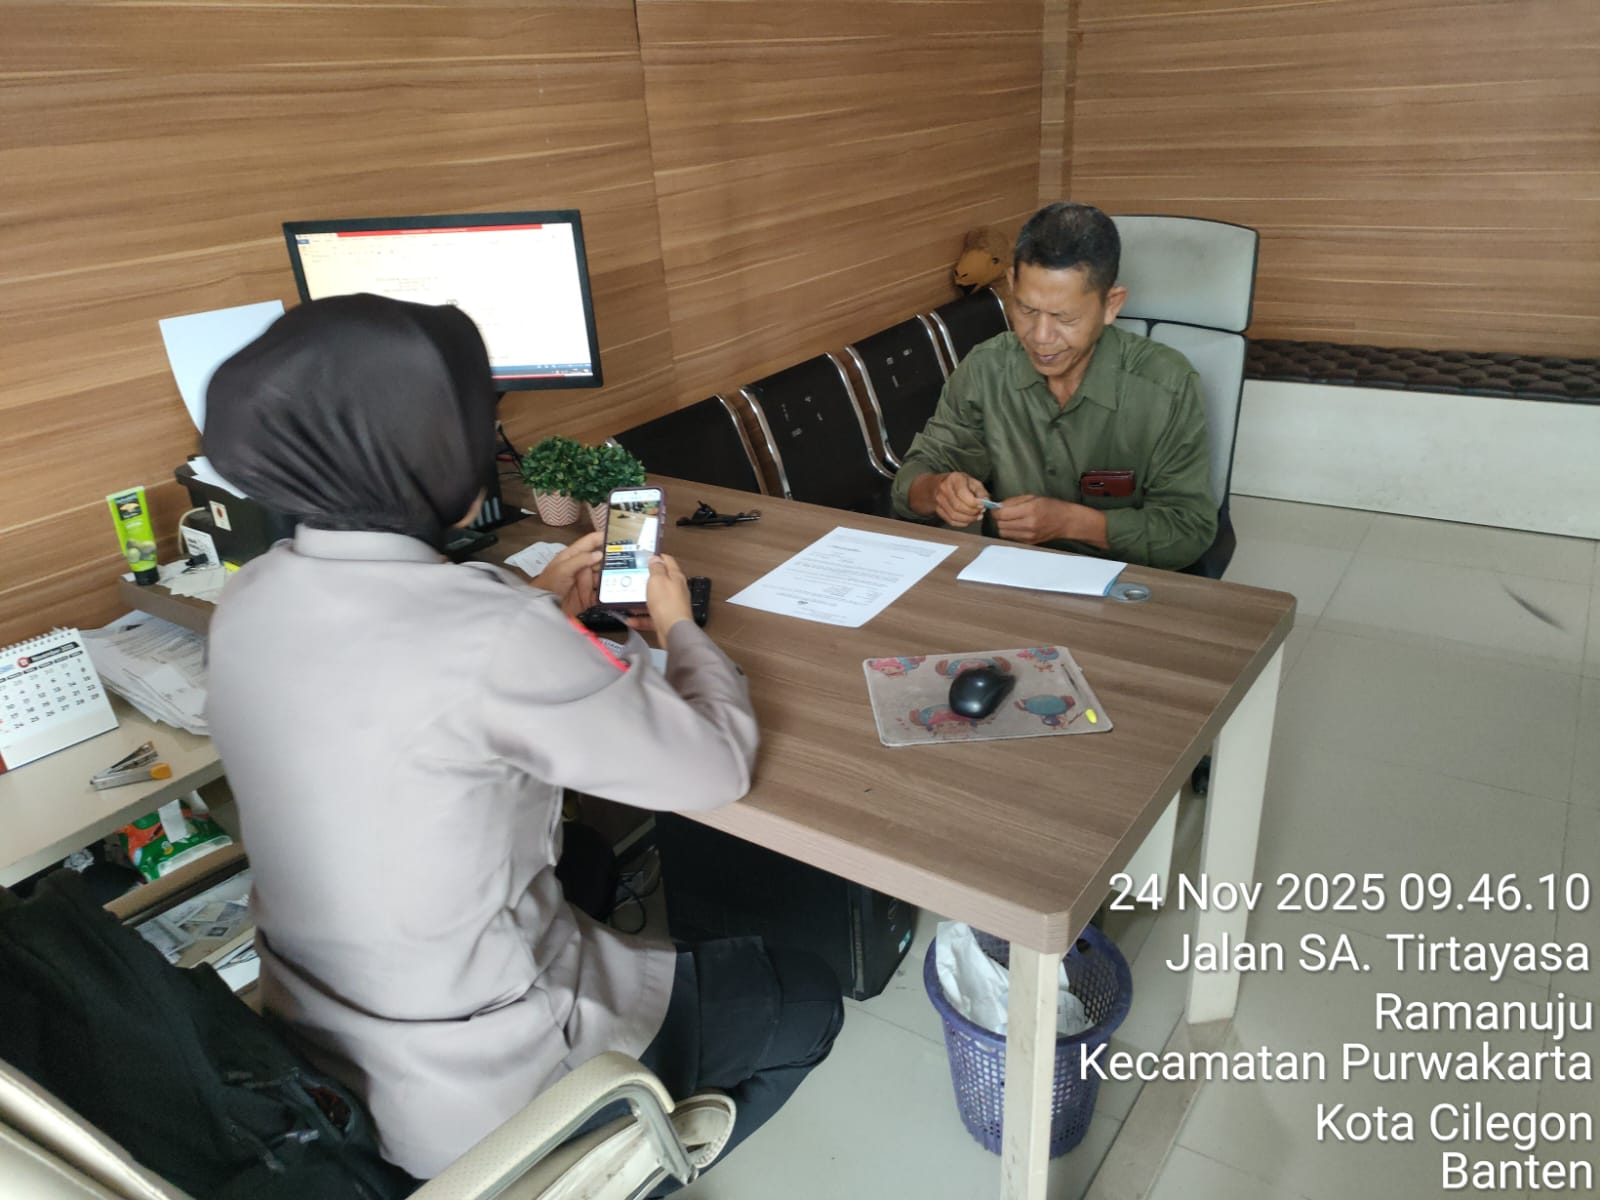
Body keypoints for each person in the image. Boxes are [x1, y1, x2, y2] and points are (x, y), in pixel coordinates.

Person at [202, 294, 842, 1184]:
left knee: (588, 857)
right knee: (804, 998)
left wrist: (533, 609)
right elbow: (715, 766)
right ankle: (621, 1167)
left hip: (316, 1038)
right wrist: (678, 626)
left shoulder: (249, 596)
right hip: (474, 1088)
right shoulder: (491, 634)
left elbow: (399, 684)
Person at [892, 201, 1217, 571]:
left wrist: (1073, 523)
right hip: (1008, 576)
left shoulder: (1167, 385)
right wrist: (938, 490)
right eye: (1027, 310)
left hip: (1124, 586)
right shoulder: (987, 369)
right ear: (1011, 285)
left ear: (1111, 305)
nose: (1041, 337)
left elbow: (1189, 531)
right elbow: (913, 479)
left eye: (1065, 317)